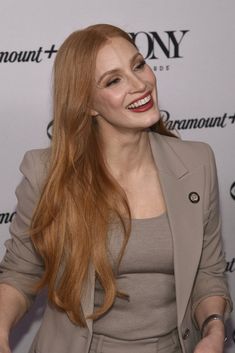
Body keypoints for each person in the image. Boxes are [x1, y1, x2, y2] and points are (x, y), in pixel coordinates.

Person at [0, 23, 232, 353]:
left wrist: (213, 328)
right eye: (113, 80)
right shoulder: (46, 174)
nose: (140, 84)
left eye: (138, 65)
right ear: (88, 103)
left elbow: (207, 273)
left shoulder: (197, 163)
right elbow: (20, 274)